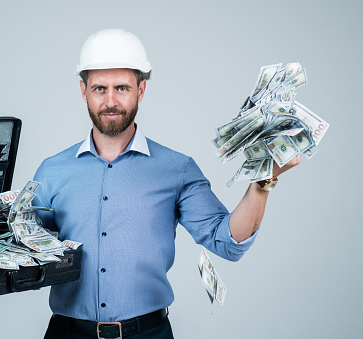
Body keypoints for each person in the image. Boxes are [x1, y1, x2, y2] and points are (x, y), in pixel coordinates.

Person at [32, 29, 300, 339]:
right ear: (83, 91)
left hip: (148, 334)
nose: (110, 101)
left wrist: (266, 176)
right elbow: (23, 245)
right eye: (99, 89)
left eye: (122, 88)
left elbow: (227, 241)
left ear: (141, 90)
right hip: (67, 333)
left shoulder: (177, 169)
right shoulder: (51, 171)